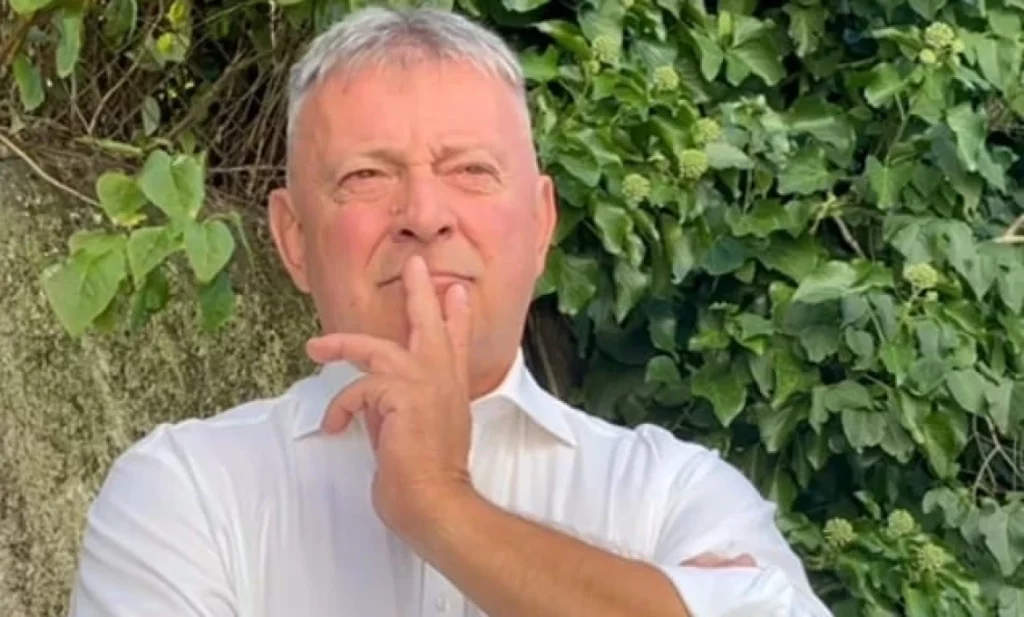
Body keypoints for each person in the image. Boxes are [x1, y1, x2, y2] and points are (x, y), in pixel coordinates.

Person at [66, 6, 833, 617]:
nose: (425, 215)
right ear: (294, 239)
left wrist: (442, 504)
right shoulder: (186, 494)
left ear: (540, 224)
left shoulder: (674, 493)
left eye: (470, 170)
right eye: (366, 176)